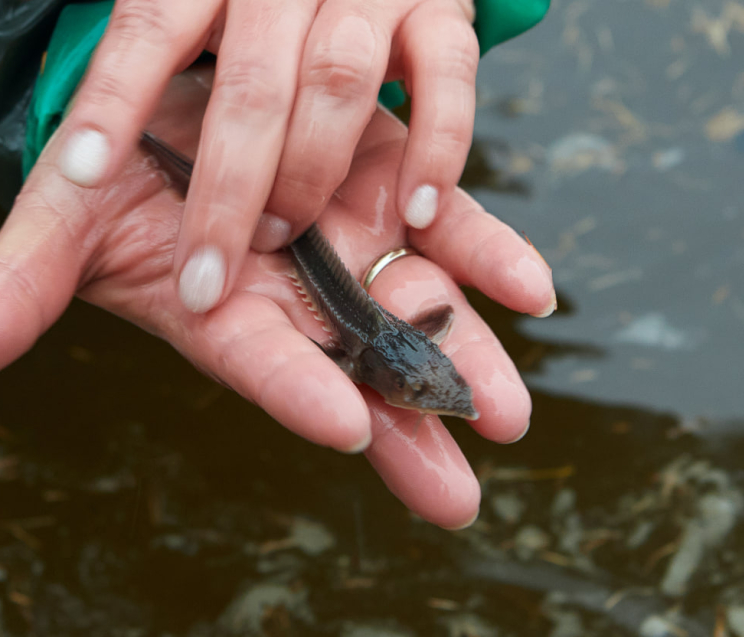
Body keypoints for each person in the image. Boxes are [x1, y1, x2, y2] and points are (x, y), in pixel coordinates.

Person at [0, 1, 554, 529]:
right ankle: (136, 132)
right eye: (423, 390)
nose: (452, 397)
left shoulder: (384, 348)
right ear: (367, 367)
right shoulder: (356, 353)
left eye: (439, 382)